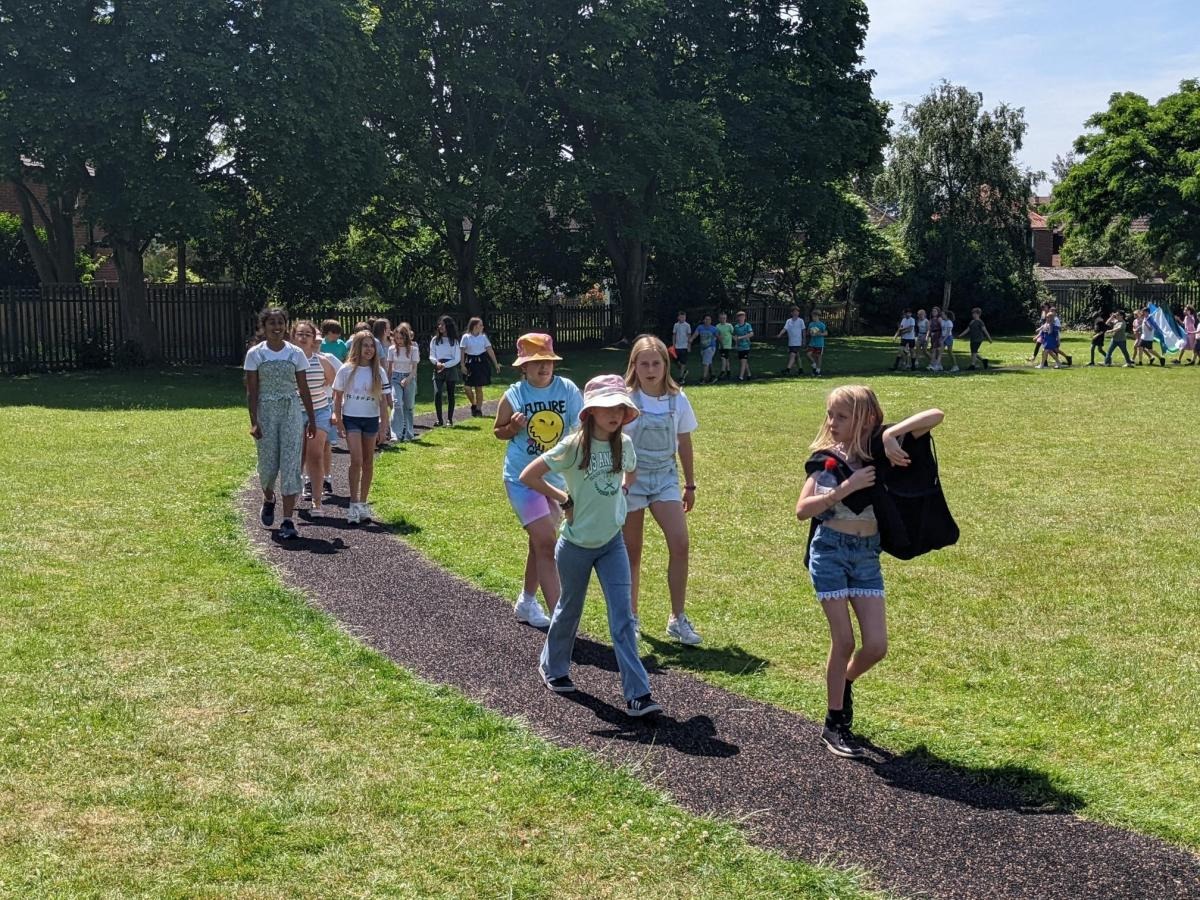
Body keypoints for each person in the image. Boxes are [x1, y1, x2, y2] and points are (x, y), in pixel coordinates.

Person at [795, 384, 943, 758]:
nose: (832, 422)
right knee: (844, 641)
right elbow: (802, 510)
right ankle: (834, 724)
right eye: (830, 415)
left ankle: (843, 682)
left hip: (866, 556)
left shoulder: (880, 450)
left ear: (867, 420)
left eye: (842, 416)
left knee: (876, 646)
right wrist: (845, 488)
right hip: (830, 552)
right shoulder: (827, 459)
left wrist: (893, 434)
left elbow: (935, 415)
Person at [520, 374, 662, 718]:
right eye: (607, 407)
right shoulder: (573, 446)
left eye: (620, 408)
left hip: (612, 543)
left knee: (623, 617)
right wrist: (562, 497)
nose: (615, 414)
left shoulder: (623, 444)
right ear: (591, 411)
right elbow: (529, 475)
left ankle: (638, 694)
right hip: (575, 546)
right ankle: (553, 667)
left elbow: (631, 472)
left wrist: (622, 490)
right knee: (569, 610)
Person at [493, 334, 584, 628]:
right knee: (546, 542)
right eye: (536, 363)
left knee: (539, 543)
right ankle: (562, 622)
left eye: (547, 361)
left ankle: (527, 602)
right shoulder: (515, 395)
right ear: (524, 367)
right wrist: (512, 427)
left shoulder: (567, 389)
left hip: (554, 479)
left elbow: (581, 429)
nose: (543, 367)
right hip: (522, 479)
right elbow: (498, 431)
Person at [623, 336, 702, 645]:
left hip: (665, 478)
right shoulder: (627, 399)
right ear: (634, 366)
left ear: (665, 365)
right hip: (632, 481)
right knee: (632, 551)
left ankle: (677, 617)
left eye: (656, 363)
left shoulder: (677, 399)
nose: (651, 370)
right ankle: (630, 617)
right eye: (644, 364)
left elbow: (684, 442)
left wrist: (690, 484)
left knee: (680, 543)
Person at [244, 307, 317, 540]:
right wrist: (254, 421)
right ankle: (268, 498)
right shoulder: (256, 354)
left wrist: (311, 419)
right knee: (267, 466)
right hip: (266, 412)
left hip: (290, 411)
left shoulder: (295, 353)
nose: (276, 327)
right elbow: (252, 390)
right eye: (272, 323)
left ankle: (287, 519)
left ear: (285, 325)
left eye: (280, 322)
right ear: (264, 327)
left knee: (290, 463)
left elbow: (303, 389)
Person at [331, 331, 389, 524]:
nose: (369, 349)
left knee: (368, 461)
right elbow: (337, 397)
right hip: (352, 419)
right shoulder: (346, 370)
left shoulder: (378, 372)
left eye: (372, 346)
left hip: (371, 420)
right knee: (356, 460)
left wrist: (383, 426)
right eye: (365, 345)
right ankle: (353, 503)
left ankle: (363, 503)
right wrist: (338, 418)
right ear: (357, 347)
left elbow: (383, 402)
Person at [291, 320, 340, 516]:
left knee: (316, 454)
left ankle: (316, 502)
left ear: (314, 339)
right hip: (294, 412)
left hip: (319, 411)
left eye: (307, 334)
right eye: (300, 334)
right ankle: (294, 492)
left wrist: (335, 410)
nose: (303, 338)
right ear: (293, 337)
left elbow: (334, 384)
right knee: (298, 456)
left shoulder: (322, 361)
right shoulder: (288, 361)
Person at [460, 317, 500, 417]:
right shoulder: (466, 337)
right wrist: (462, 365)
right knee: (467, 387)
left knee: (478, 387)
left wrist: (496, 364)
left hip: (481, 362)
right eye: (480, 325)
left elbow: (489, 350)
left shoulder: (483, 337)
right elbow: (462, 352)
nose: (482, 327)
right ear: (474, 326)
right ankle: (473, 403)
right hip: (470, 363)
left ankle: (478, 409)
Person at [388, 322, 421, 441]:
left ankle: (408, 433)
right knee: (397, 403)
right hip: (396, 378)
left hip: (409, 377)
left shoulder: (413, 349)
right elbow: (390, 368)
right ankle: (395, 434)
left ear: (406, 337)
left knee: (408, 406)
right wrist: (388, 383)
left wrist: (408, 379)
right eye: (396, 338)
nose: (399, 341)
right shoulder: (392, 349)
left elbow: (415, 368)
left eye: (401, 338)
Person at [430, 315, 462, 426]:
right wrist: (437, 363)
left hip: (450, 368)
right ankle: (439, 419)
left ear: (448, 326)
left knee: (450, 394)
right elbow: (432, 355)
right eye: (439, 324)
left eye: (443, 325)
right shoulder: (435, 340)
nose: (440, 327)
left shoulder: (454, 341)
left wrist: (445, 365)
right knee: (437, 393)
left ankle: (449, 419)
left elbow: (457, 358)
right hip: (438, 368)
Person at [778, 306, 808, 376]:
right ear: (791, 313)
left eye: (797, 312)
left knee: (792, 355)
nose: (796, 313)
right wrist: (780, 334)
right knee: (797, 356)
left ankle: (787, 370)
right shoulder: (788, 321)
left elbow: (803, 330)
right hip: (791, 342)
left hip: (797, 342)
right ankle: (800, 370)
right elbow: (785, 329)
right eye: (794, 312)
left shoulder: (801, 321)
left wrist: (804, 340)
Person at [691, 313, 720, 383]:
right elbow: (696, 334)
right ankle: (713, 376)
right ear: (703, 320)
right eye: (706, 319)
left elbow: (718, 337)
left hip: (710, 347)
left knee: (705, 363)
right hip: (703, 348)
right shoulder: (700, 327)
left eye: (709, 319)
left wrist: (722, 345)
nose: (708, 321)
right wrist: (691, 339)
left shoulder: (714, 328)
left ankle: (704, 378)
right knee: (708, 362)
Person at [671, 311, 692, 384]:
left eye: (684, 317)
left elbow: (689, 336)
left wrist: (689, 346)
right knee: (675, 360)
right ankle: (683, 371)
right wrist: (673, 345)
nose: (682, 318)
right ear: (678, 317)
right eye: (681, 317)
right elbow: (674, 335)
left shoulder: (687, 325)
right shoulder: (676, 325)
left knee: (683, 361)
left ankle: (681, 377)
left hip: (684, 346)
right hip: (677, 346)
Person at [733, 310, 754, 381]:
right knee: (744, 361)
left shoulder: (747, 325)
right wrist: (736, 344)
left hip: (746, 346)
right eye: (740, 317)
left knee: (743, 361)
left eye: (743, 316)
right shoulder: (736, 327)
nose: (742, 318)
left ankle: (741, 377)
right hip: (739, 346)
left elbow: (751, 334)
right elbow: (735, 336)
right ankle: (749, 374)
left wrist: (742, 337)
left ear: (745, 317)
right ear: (738, 318)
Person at [715, 311, 735, 380]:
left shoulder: (729, 326)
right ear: (719, 319)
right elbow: (716, 335)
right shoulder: (717, 326)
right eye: (721, 318)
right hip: (721, 345)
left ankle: (722, 371)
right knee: (726, 358)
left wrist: (736, 342)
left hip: (727, 345)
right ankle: (728, 372)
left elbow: (733, 334)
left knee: (723, 358)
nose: (723, 319)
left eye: (724, 318)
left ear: (726, 318)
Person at [807, 310, 828, 377]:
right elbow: (808, 332)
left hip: (819, 344)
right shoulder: (811, 324)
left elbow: (826, 333)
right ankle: (814, 364)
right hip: (812, 343)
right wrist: (810, 333)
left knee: (818, 357)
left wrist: (819, 334)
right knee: (808, 354)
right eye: (812, 316)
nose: (813, 318)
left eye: (814, 316)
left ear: (818, 316)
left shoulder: (821, 325)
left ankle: (817, 371)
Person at [927, 307, 944, 371]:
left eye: (935, 311)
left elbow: (942, 328)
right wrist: (927, 336)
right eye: (932, 311)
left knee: (937, 350)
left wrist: (941, 337)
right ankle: (936, 364)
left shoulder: (939, 319)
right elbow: (929, 329)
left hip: (938, 334)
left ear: (938, 312)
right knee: (933, 350)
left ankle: (935, 364)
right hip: (933, 336)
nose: (933, 312)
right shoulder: (931, 320)